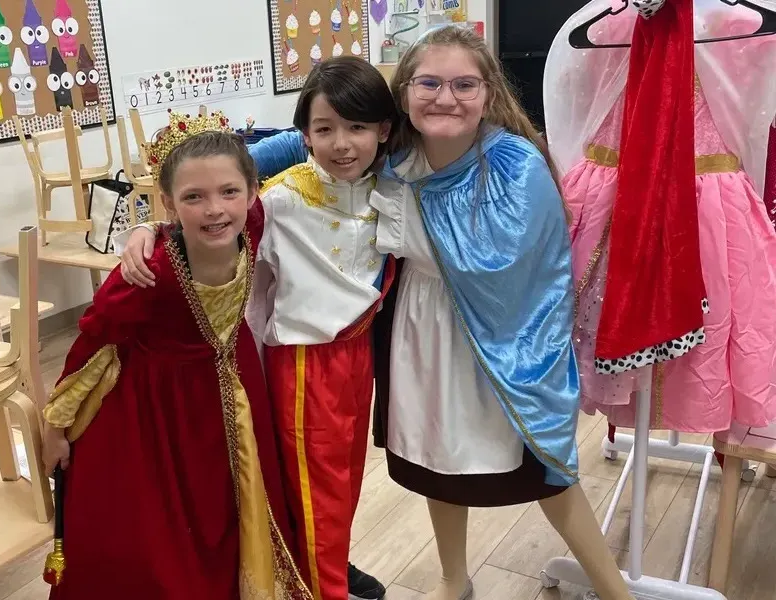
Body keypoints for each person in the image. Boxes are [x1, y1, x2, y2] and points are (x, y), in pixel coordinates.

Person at [142, 25, 636, 600]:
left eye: (463, 84)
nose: (445, 97)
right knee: (436, 457)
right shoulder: (395, 148)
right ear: (403, 94)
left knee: (546, 469)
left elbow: (511, 270)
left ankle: (613, 591)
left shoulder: (513, 165)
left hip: (499, 344)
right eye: (428, 83)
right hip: (416, 333)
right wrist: (188, 201)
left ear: (488, 90)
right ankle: (454, 580)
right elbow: (292, 142)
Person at [115, 57, 397, 600]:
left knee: (340, 482)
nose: (342, 144)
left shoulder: (390, 187)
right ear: (303, 135)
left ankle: (328, 563)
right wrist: (151, 228)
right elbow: (211, 220)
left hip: (359, 356)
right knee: (317, 490)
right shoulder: (281, 202)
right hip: (303, 362)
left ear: (383, 130)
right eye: (324, 129)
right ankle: (322, 585)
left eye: (358, 127)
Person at [40, 122, 311, 600]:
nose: (214, 209)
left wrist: (147, 224)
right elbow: (92, 342)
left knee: (236, 505)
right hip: (162, 409)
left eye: (229, 191)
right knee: (172, 521)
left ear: (253, 192)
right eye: (193, 197)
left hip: (234, 384)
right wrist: (55, 426)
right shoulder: (150, 272)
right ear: (168, 202)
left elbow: (297, 141)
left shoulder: (251, 222)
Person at [545, 0, 776, 434]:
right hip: (615, 199)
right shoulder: (609, 24)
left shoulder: (743, 26)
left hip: (706, 208)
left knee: (710, 332)